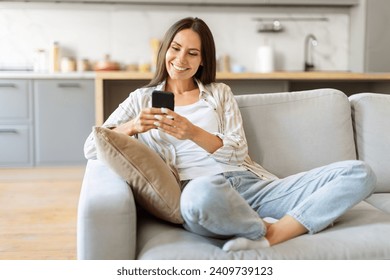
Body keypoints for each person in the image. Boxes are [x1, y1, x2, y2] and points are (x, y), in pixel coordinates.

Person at [84, 17, 376, 251]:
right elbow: (93, 147)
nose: (181, 58)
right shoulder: (140, 99)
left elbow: (238, 151)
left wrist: (192, 132)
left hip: (250, 186)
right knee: (197, 201)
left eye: (192, 53)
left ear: (202, 61)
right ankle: (260, 226)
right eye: (175, 48)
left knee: (359, 173)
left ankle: (273, 233)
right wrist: (132, 126)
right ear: (164, 51)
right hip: (199, 189)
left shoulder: (219, 94)